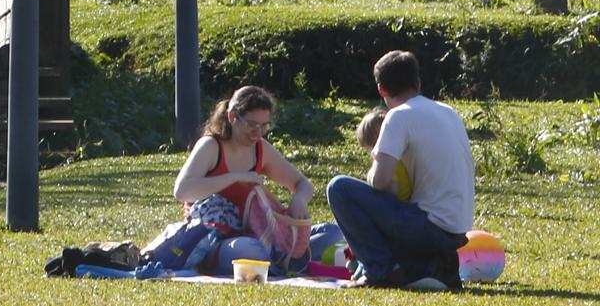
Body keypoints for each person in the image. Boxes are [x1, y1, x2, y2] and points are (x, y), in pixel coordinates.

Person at [327, 51, 474, 290]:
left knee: (339, 188)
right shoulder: (448, 112)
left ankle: (380, 270)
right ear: (417, 82)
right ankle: (427, 268)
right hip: (456, 231)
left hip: (427, 226)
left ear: (381, 90)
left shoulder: (398, 116)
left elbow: (380, 181)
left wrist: (373, 166)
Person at [174, 86, 314, 274]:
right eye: (252, 124)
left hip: (256, 232)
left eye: (264, 125)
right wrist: (236, 177)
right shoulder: (211, 146)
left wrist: (299, 200)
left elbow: (303, 184)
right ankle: (281, 259)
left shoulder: (260, 149)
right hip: (214, 238)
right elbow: (182, 190)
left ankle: (283, 257)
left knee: (330, 234)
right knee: (252, 251)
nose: (257, 132)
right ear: (232, 117)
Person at [355, 107, 411, 201]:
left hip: (399, 203)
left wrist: (371, 178)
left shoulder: (387, 160)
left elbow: (394, 189)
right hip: (409, 200)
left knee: (340, 186)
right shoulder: (399, 153)